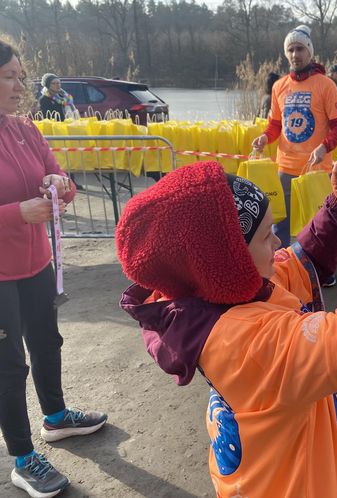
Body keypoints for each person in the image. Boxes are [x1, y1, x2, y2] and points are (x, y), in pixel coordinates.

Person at [117, 159, 337, 497]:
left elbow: (304, 262)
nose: (278, 244)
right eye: (266, 236)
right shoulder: (241, 342)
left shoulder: (228, 293)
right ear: (230, 264)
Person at [0, 41, 107, 498]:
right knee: (7, 367)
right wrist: (15, 214)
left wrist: (59, 184)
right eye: (9, 76)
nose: (20, 85)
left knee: (47, 341)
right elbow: (18, 209)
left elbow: (64, 184)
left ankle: (56, 417)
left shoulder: (25, 129)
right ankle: (22, 458)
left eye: (21, 76)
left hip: (37, 264)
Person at [251, 25, 337, 252]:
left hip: (317, 167)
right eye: (291, 50)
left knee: (317, 224)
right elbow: (275, 124)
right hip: (285, 167)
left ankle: (321, 269)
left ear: (309, 52)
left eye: (300, 49)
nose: (295, 54)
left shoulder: (326, 84)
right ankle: (280, 266)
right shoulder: (279, 86)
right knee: (280, 223)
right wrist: (265, 137)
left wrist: (324, 148)